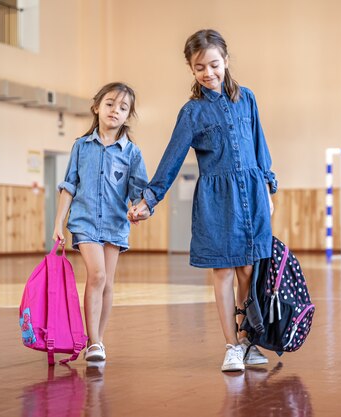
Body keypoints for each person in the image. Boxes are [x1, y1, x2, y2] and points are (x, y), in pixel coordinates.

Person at [129, 29, 277, 372]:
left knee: (249, 271)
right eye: (200, 68)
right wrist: (150, 199)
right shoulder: (191, 112)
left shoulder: (248, 99)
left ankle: (248, 339)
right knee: (224, 270)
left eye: (214, 64)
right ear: (191, 69)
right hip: (217, 199)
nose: (208, 73)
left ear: (225, 60)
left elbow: (260, 146)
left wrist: (268, 188)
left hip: (252, 195)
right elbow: (172, 158)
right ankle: (231, 346)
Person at [53, 82, 150, 362]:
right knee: (96, 275)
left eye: (123, 107)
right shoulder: (81, 147)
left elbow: (137, 192)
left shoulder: (132, 153)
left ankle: (99, 341)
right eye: (109, 104)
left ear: (127, 115)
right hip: (84, 222)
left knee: (107, 283)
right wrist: (58, 223)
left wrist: (138, 209)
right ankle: (92, 340)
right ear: (96, 107)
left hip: (115, 224)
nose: (115, 111)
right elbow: (69, 185)